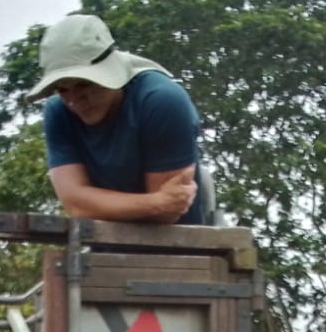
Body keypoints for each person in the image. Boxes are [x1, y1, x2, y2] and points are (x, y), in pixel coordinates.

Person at [28, 13, 204, 225]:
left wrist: (95, 203)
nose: (74, 100)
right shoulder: (58, 111)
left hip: (180, 242)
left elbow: (167, 215)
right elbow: (75, 204)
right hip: (100, 242)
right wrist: (156, 202)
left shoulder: (161, 101)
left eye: (84, 84)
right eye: (62, 89)